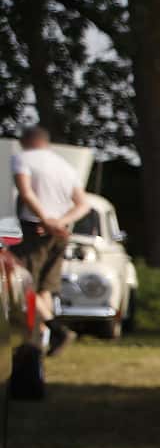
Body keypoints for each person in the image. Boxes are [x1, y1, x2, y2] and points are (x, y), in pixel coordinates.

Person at [10, 125, 90, 354]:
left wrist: (46, 220)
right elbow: (83, 204)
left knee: (24, 286)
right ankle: (41, 338)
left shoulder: (22, 159)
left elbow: (26, 193)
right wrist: (61, 222)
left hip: (33, 230)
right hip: (60, 233)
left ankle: (51, 331)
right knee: (45, 289)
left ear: (25, 141)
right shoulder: (65, 166)